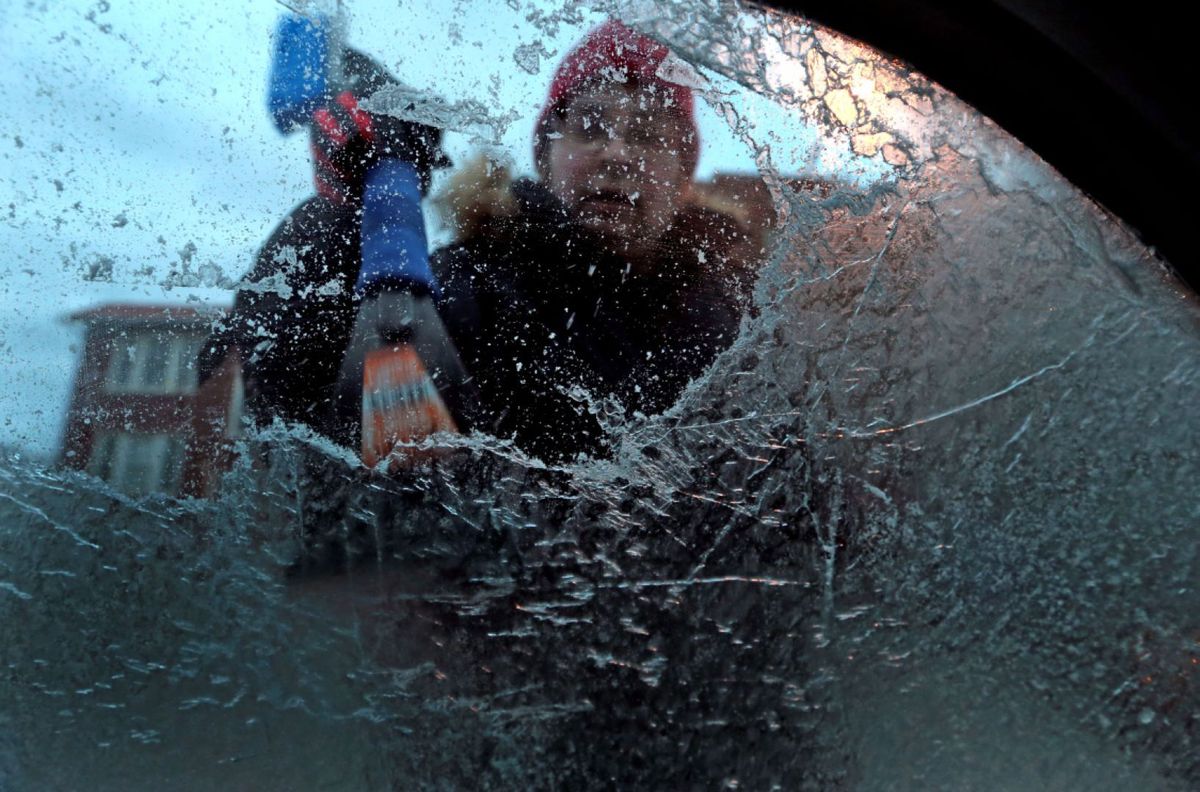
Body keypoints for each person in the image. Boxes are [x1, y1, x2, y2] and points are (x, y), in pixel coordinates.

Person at [430, 19, 758, 462]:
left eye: (647, 136)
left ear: (683, 179)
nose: (617, 154)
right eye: (589, 127)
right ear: (546, 160)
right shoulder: (463, 286)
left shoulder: (737, 317)